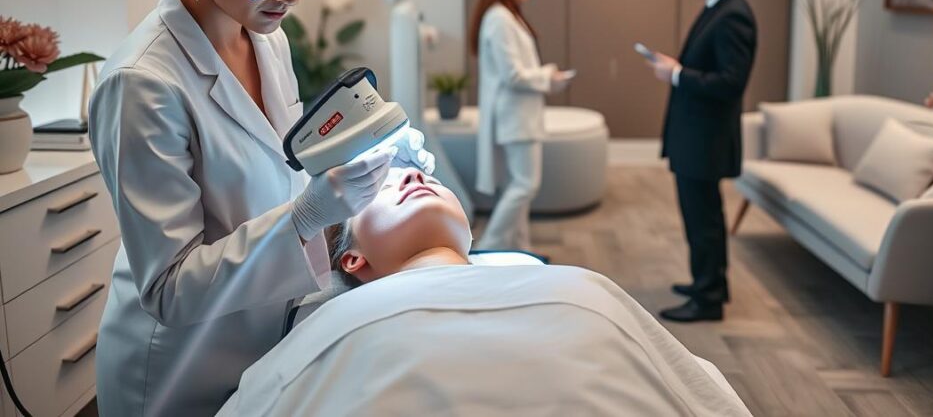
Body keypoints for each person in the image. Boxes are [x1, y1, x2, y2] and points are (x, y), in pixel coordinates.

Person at [87, 0, 432, 415]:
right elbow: (167, 289)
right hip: (178, 370)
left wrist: (373, 166)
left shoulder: (267, 38)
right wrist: (304, 217)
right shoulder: (142, 84)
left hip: (263, 338)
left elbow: (284, 164)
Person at [215, 166, 753, 416]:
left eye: (420, 177)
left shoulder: (582, 288)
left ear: (469, 230)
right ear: (353, 260)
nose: (408, 179)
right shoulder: (335, 324)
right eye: (378, 190)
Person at [646, 0, 757, 323]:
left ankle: (708, 299)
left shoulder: (734, 14)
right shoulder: (719, 7)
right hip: (695, 138)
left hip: (705, 141)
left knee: (705, 220)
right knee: (699, 218)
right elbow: (711, 68)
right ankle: (705, 283)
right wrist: (679, 68)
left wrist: (677, 74)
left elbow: (730, 83)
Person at [469, 0, 573, 250]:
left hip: (519, 116)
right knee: (525, 185)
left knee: (517, 184)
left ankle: (521, 250)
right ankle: (488, 247)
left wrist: (545, 77)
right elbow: (512, 75)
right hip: (515, 117)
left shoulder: (507, 16)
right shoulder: (499, 19)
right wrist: (547, 77)